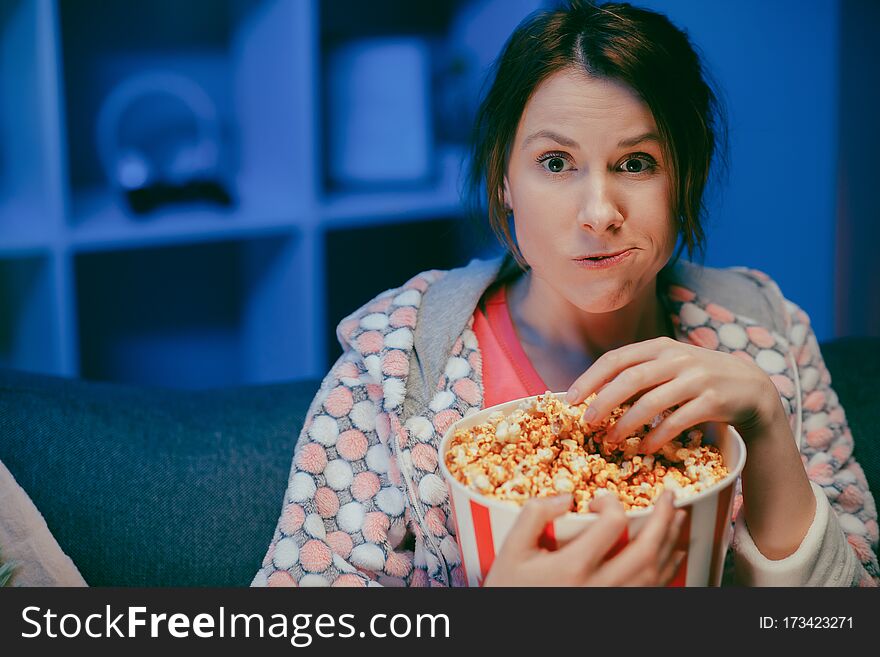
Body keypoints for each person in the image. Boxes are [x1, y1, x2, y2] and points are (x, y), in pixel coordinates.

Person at [252, 0, 879, 587]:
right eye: (555, 162)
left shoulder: (769, 336)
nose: (599, 212)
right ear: (503, 178)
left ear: (686, 176)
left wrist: (765, 425)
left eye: (636, 163)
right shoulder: (394, 364)